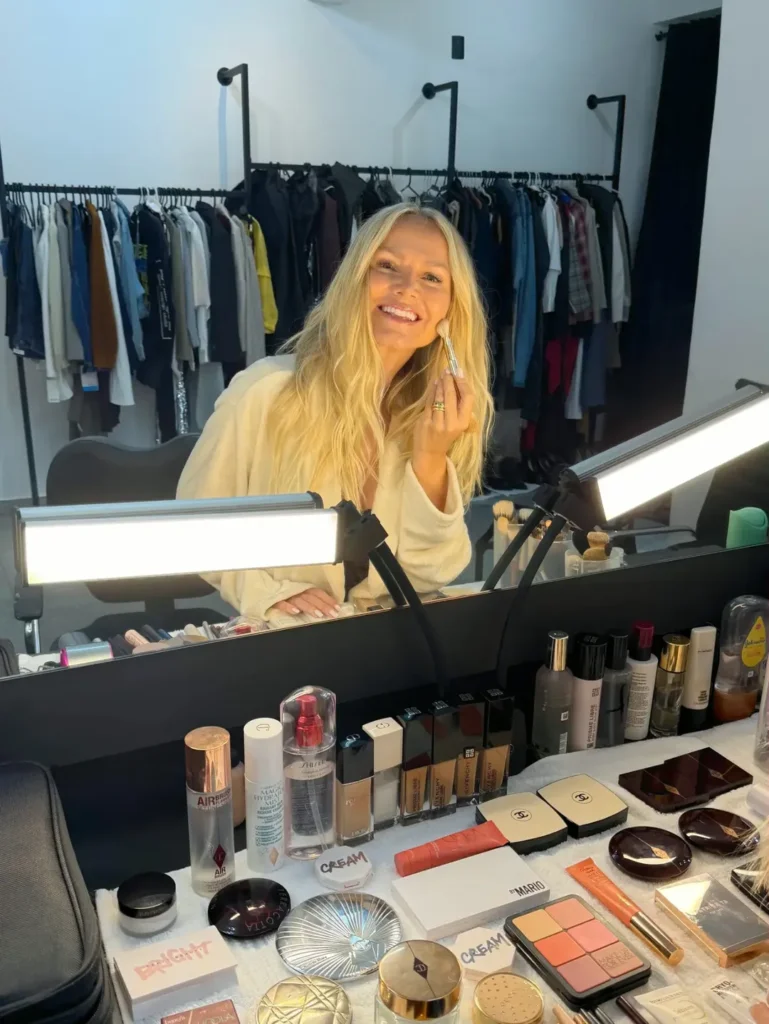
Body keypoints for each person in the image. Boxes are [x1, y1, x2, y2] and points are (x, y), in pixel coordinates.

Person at [178, 203, 493, 622]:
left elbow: (430, 574)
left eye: (432, 277)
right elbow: (192, 531)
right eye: (387, 266)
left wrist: (431, 457)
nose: (407, 288)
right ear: (355, 278)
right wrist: (267, 592)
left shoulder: (436, 416)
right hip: (286, 638)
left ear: (452, 308)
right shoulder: (264, 392)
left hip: (390, 641)